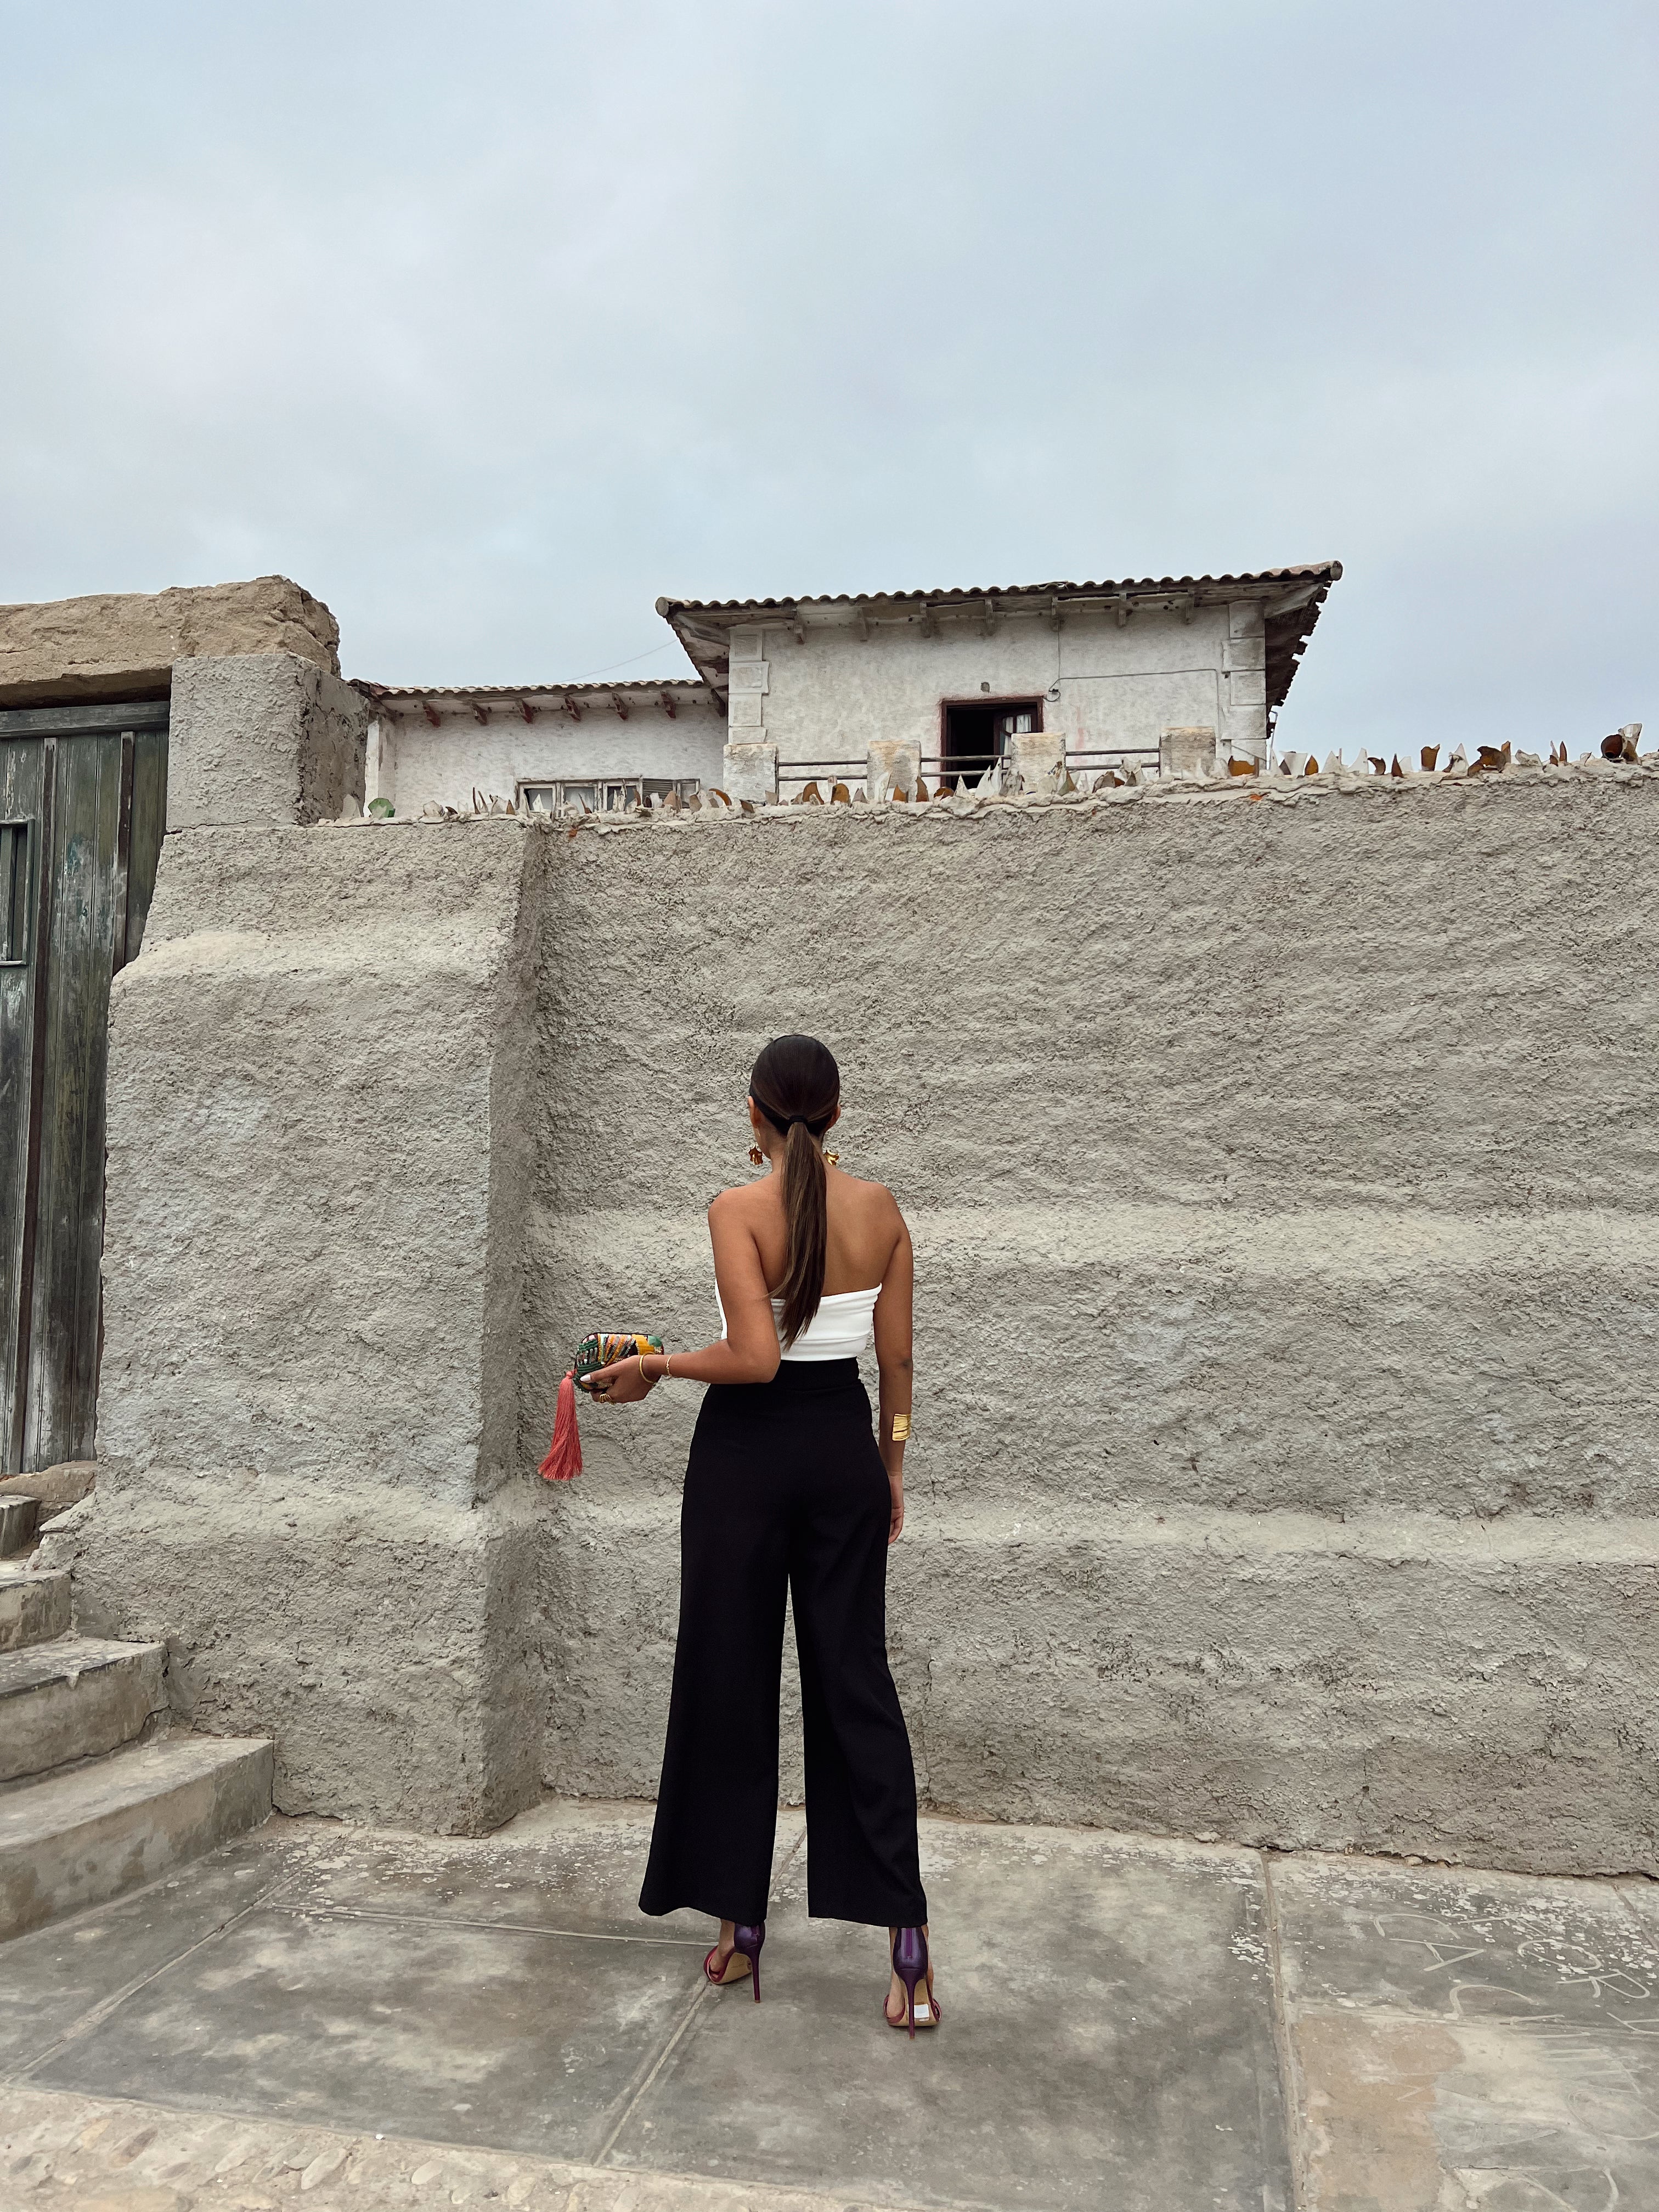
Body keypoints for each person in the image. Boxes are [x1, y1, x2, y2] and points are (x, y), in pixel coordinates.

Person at [584, 1032, 939, 2035]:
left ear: (753, 1115)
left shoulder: (736, 1210)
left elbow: (754, 1359)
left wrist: (655, 1366)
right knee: (855, 1686)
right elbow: (898, 1367)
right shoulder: (884, 1210)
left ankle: (740, 1927)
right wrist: (892, 1466)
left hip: (743, 1462)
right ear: (837, 1114)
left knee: (727, 1678)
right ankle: (909, 1952)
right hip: (843, 1456)